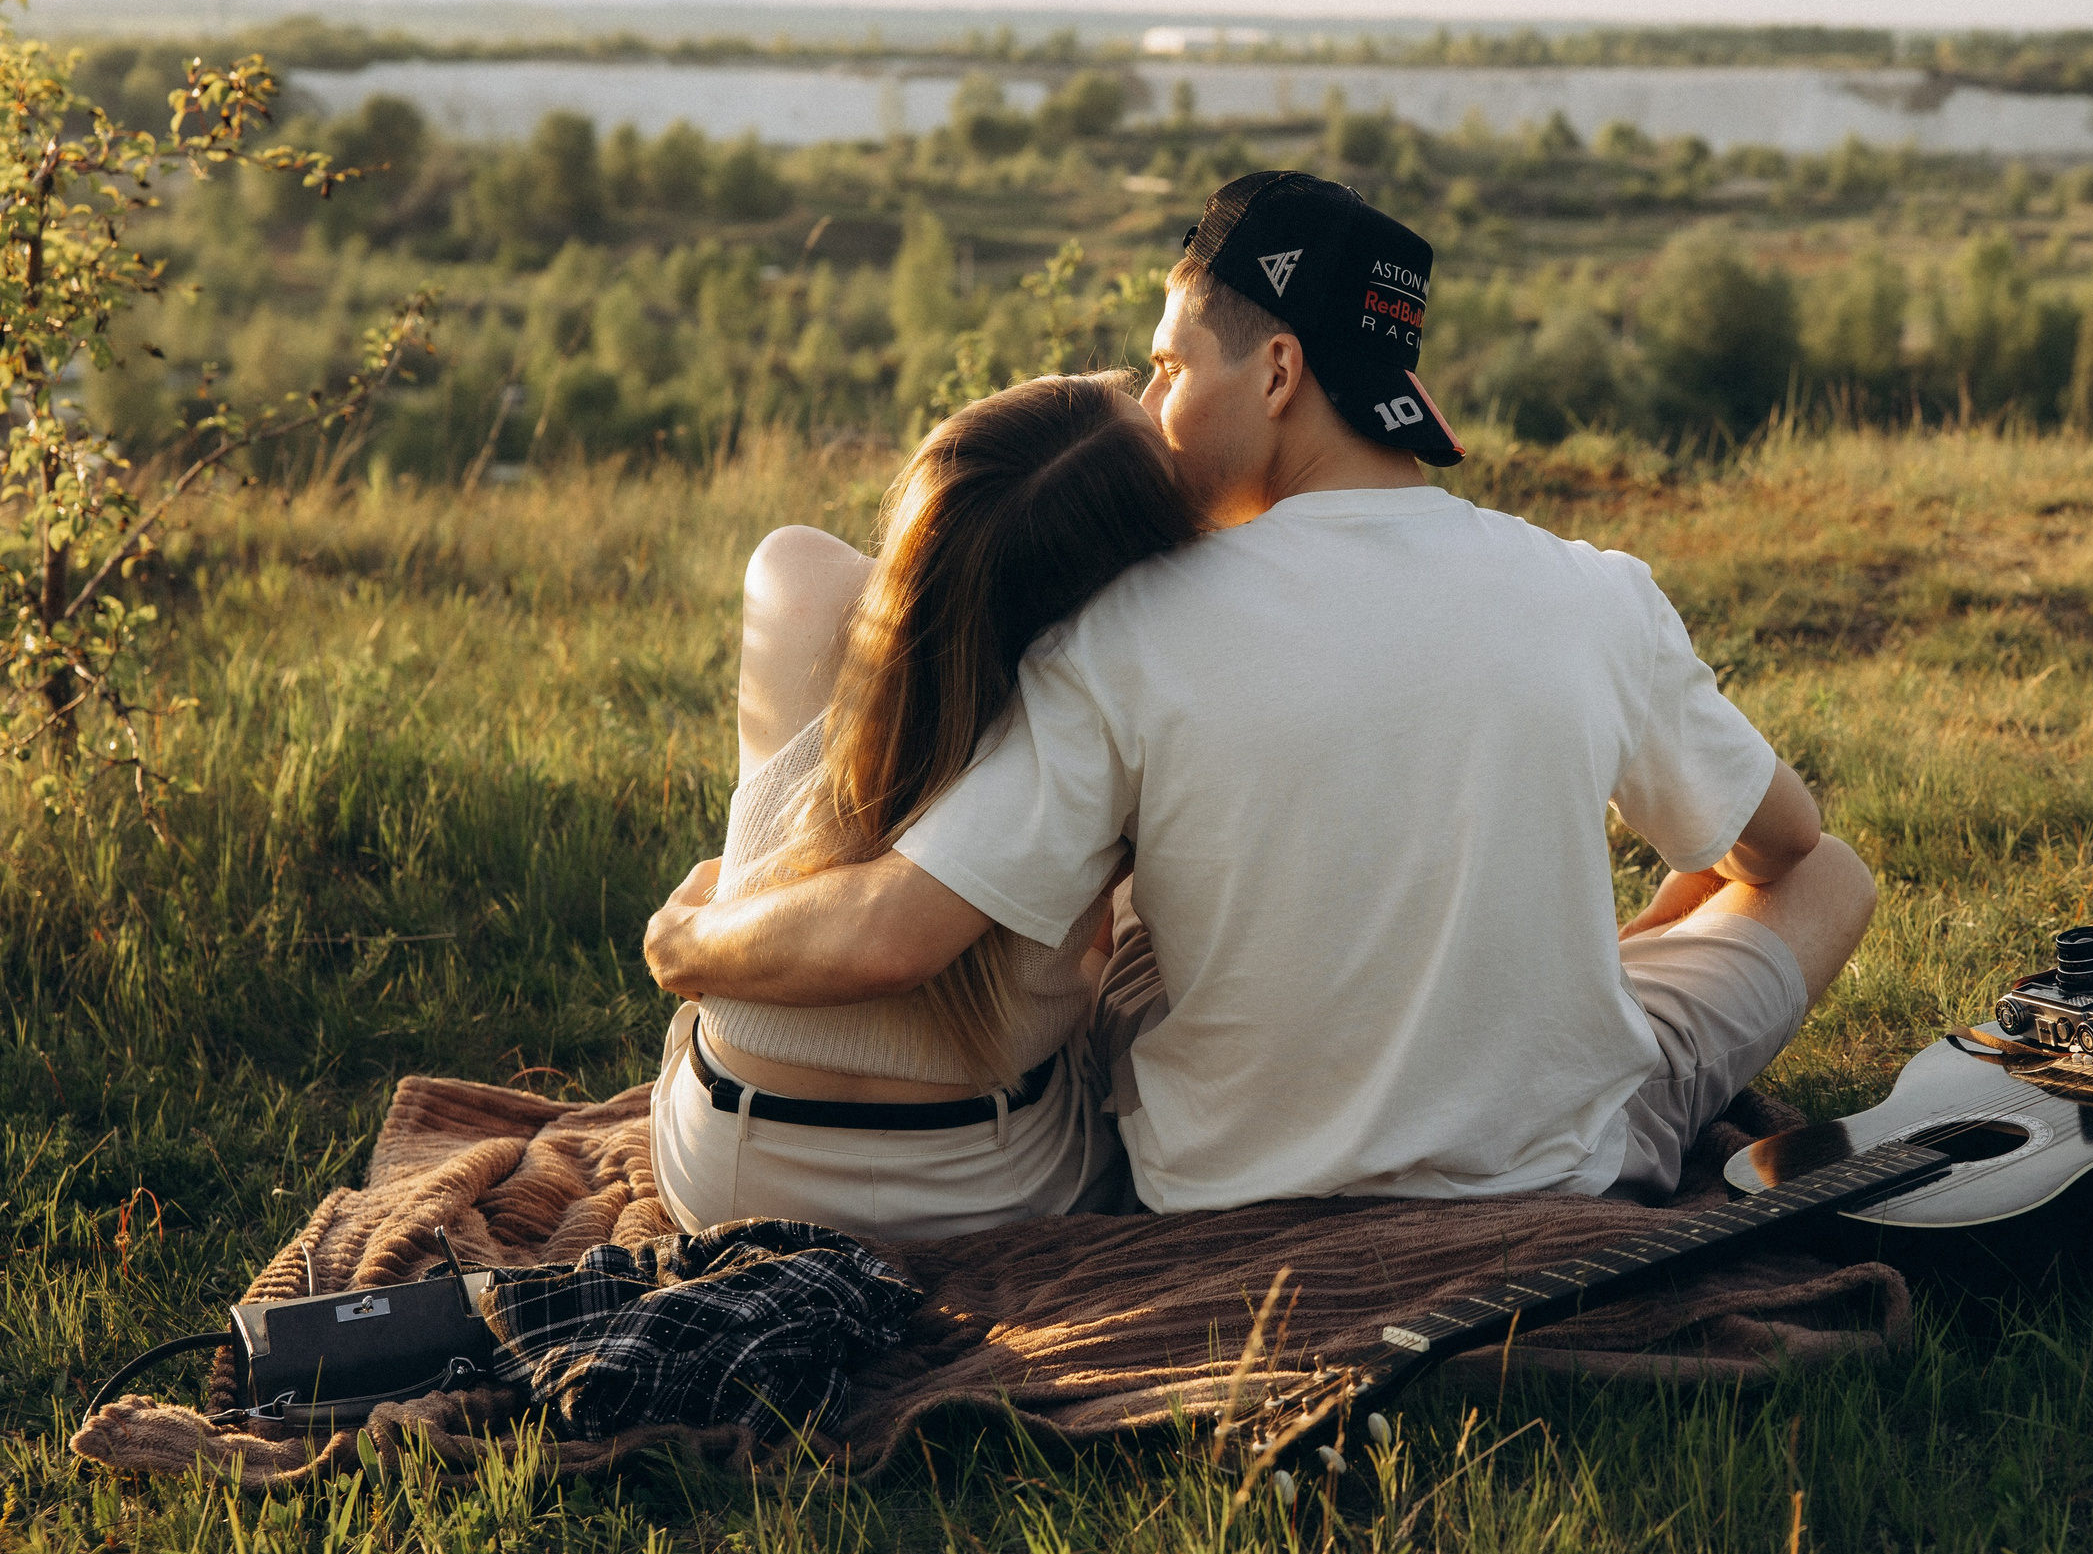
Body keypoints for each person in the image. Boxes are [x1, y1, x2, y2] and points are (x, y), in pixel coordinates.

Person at [648, 172, 1876, 1215]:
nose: (1153, 410)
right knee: (1832, 876)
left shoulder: (1123, 624)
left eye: (1171, 365)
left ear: (1279, 370)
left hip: (1221, 1184)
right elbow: (1783, 847)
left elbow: (902, 928)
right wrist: (1620, 957)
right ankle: (1561, 1031)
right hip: (1547, 1167)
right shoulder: (1593, 592)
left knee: (1126, 895)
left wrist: (694, 937)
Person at [648, 372, 1202, 1241]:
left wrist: (678, 939)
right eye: (1136, 385)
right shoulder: (1112, 698)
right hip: (987, 1190)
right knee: (1129, 928)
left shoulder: (791, 574)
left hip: (728, 1174)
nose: (1150, 380)